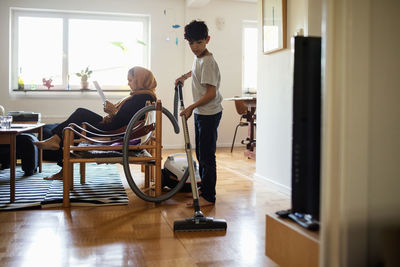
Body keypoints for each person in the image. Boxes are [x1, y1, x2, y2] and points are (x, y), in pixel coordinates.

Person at [34, 66, 157, 180]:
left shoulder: (141, 97)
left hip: (112, 131)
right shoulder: (143, 96)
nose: (128, 83)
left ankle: (57, 143)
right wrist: (113, 111)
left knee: (75, 123)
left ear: (140, 80)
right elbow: (126, 118)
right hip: (114, 127)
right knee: (76, 120)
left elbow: (122, 121)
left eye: (131, 80)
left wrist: (113, 112)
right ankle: (56, 142)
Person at [175, 20, 223, 207]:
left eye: (199, 42)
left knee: (207, 156)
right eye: (191, 43)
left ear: (207, 40)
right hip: (202, 113)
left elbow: (211, 93)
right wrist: (184, 77)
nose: (194, 47)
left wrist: (191, 107)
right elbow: (195, 71)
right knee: (201, 153)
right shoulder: (200, 58)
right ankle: (203, 190)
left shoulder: (209, 62)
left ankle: (209, 196)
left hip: (209, 114)